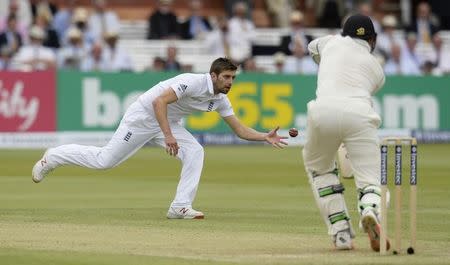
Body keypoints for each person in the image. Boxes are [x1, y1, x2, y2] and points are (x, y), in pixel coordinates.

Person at [32, 57, 287, 219]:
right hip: (143, 117)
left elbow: (239, 129)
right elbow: (159, 101)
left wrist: (264, 136)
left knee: (196, 152)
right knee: (104, 161)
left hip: (167, 123)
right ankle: (54, 156)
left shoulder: (220, 100)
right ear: (213, 76)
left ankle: (180, 206)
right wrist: (168, 136)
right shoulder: (192, 82)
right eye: (226, 77)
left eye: (233, 78)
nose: (230, 82)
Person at [303, 14, 389, 251]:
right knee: (370, 180)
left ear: (343, 33)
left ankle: (341, 232)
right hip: (360, 113)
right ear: (373, 39)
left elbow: (311, 48)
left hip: (322, 111)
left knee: (319, 170)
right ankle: (371, 210)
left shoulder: (330, 42)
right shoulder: (377, 70)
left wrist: (326, 61)